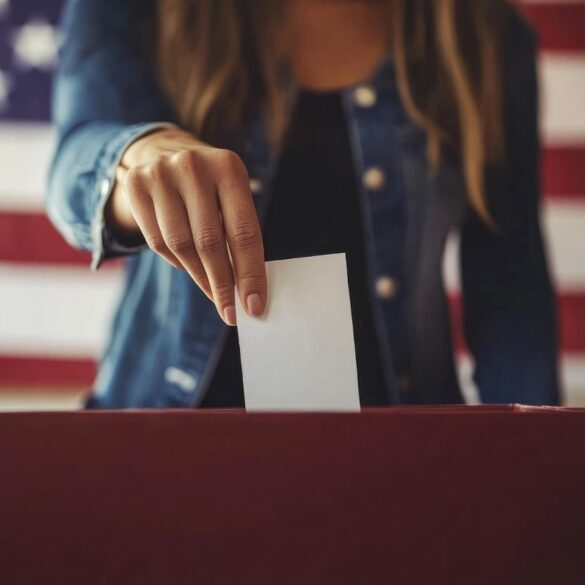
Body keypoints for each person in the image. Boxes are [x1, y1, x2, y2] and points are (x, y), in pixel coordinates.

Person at [47, 0, 559, 408]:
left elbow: (511, 294)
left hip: (399, 462)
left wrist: (533, 475)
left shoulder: (486, 35)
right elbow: (77, 161)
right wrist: (139, 155)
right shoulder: (138, 8)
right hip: (167, 451)